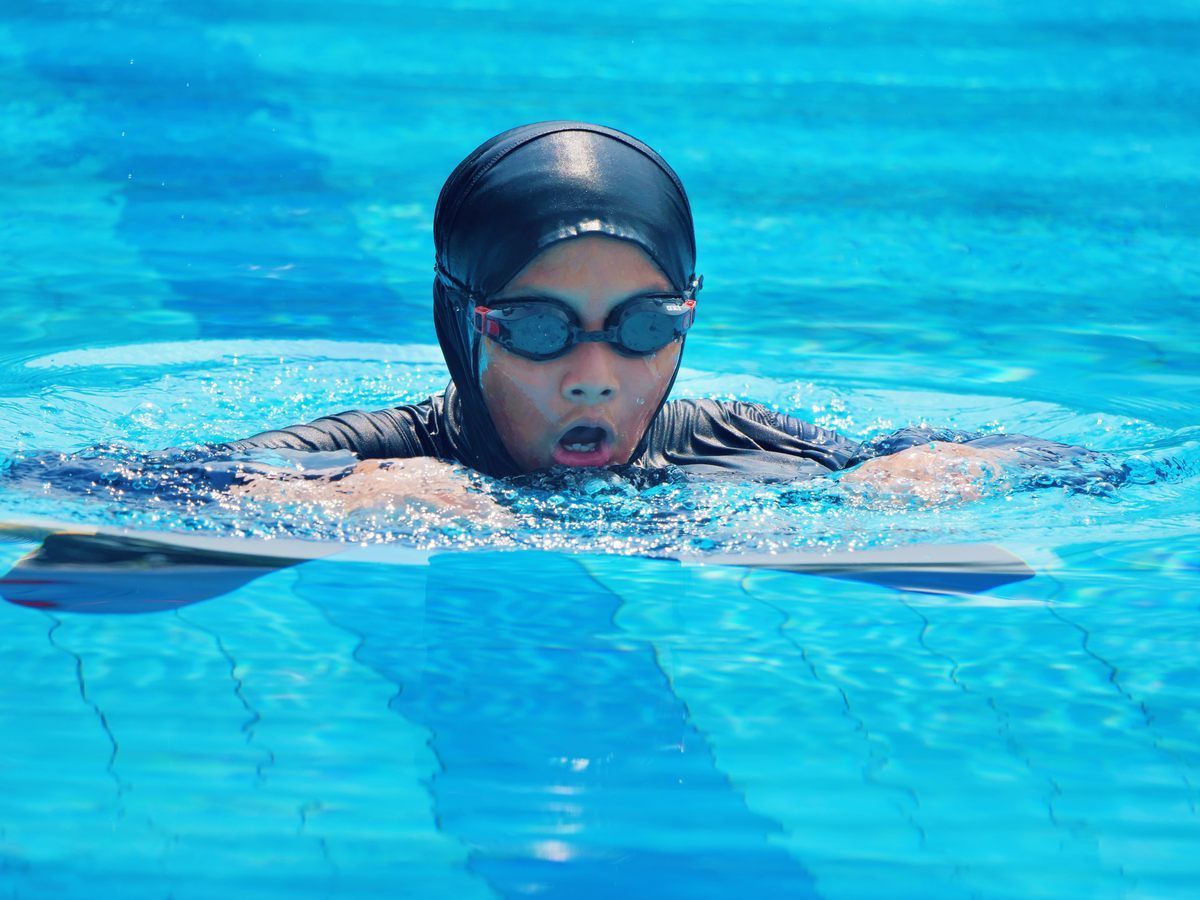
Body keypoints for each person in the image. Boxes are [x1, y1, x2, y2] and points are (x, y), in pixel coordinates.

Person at [211, 121, 1114, 508]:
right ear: (461, 320)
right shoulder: (388, 452)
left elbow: (1099, 467)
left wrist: (949, 469)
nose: (594, 377)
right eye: (536, 328)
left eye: (644, 327)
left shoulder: (724, 438)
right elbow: (143, 484)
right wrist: (328, 492)